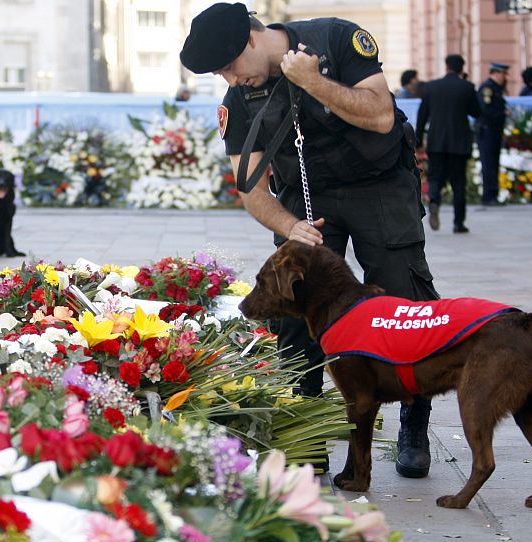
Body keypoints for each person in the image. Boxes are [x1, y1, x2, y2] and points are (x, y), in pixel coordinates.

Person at [180, 2, 440, 479]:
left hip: (379, 185)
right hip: (306, 193)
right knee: (290, 300)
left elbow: (382, 115)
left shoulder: (338, 40)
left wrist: (312, 81)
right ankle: (307, 429)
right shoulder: (241, 98)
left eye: (230, 66)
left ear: (253, 39)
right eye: (219, 72)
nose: (229, 79)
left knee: (403, 302)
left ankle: (413, 421)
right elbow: (251, 188)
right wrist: (287, 225)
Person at [416, 54, 481, 233]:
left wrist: (419, 140)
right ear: (462, 68)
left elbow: (422, 116)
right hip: (459, 144)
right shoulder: (466, 87)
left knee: (436, 176)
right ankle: (458, 223)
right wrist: (467, 89)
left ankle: (435, 200)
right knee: (458, 182)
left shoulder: (431, 87)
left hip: (437, 142)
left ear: (446, 67)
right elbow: (477, 112)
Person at [476, 62, 509, 206]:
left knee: (493, 163)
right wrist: (503, 113)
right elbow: (485, 110)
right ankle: (488, 195)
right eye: (503, 74)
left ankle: (492, 194)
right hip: (487, 130)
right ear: (495, 73)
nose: (504, 77)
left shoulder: (496, 88)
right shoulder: (488, 88)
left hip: (494, 131)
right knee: (488, 163)